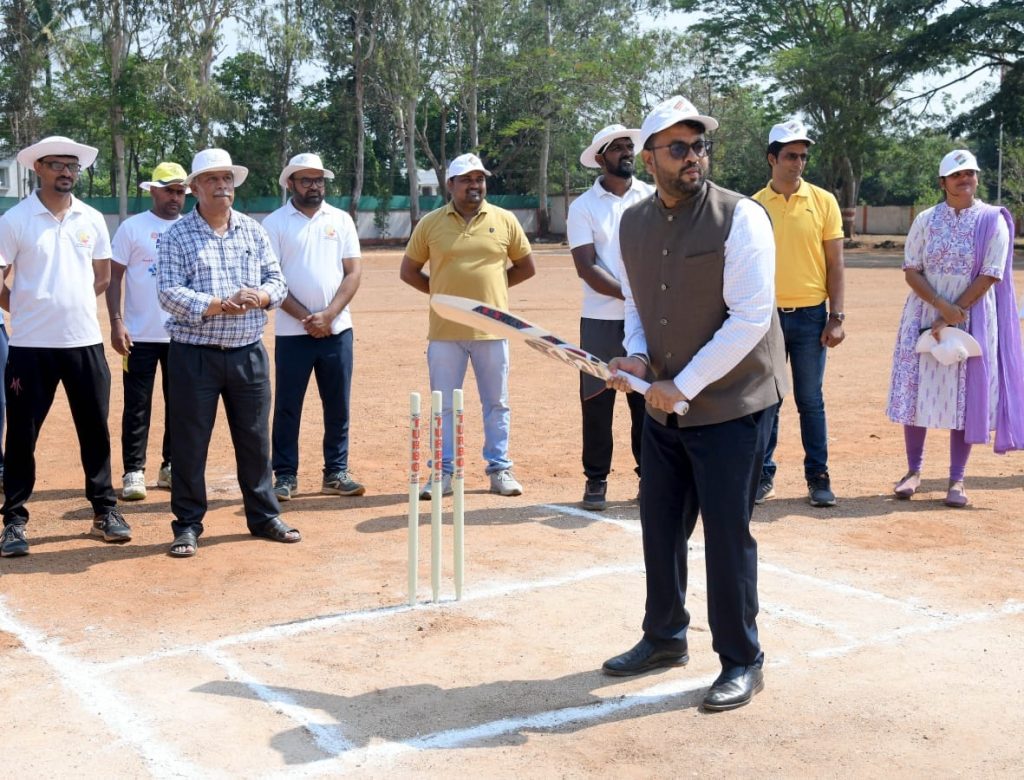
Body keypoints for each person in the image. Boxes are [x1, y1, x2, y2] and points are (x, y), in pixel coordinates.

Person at [602, 96, 787, 712]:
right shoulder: (632, 222)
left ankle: (742, 659)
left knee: (728, 537)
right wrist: (633, 356)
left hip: (733, 408)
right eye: (677, 148)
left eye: (699, 145)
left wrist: (682, 385)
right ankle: (664, 638)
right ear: (648, 157)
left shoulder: (742, 218)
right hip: (662, 407)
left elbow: (750, 319)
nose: (692, 157)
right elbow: (636, 304)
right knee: (660, 528)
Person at [157, 148, 297, 557]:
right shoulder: (177, 235)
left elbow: (278, 279)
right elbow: (168, 292)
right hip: (194, 354)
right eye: (213, 180)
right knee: (189, 443)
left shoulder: (253, 231)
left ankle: (263, 515)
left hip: (247, 353)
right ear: (195, 187)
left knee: (255, 440)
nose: (222, 187)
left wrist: (264, 295)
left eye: (227, 180)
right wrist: (219, 303)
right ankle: (186, 525)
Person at [0, 136, 131, 557]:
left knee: (95, 431)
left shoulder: (91, 219)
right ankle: (15, 521)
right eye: (56, 165)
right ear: (38, 169)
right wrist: (24, 307)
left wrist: (69, 304)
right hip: (30, 347)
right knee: (22, 436)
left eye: (72, 166)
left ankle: (105, 511)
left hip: (84, 344)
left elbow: (102, 277)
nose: (66, 172)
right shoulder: (15, 219)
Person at [886, 149, 1024, 507]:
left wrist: (952, 312)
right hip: (923, 315)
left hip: (973, 315)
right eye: (957, 174)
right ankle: (913, 471)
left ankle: (957, 479)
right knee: (917, 392)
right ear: (943, 182)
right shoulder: (927, 220)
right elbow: (911, 268)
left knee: (964, 398)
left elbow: (990, 274)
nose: (965, 179)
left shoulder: (992, 221)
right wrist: (939, 305)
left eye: (970, 173)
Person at [399, 153, 536, 498]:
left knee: (497, 403)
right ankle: (443, 473)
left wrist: (490, 299)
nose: (475, 186)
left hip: (493, 330)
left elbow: (526, 267)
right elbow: (409, 271)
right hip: (445, 332)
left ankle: (500, 470)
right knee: (443, 404)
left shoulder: (504, 220)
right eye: (467, 180)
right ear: (451, 185)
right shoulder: (431, 223)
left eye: (480, 179)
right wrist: (446, 298)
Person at [752, 120, 846, 507]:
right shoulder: (753, 206)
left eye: (803, 156)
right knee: (766, 400)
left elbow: (835, 264)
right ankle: (761, 475)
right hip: (766, 318)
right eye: (791, 155)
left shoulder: (824, 202)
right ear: (772, 158)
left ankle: (818, 477)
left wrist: (836, 316)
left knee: (810, 399)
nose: (798, 163)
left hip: (811, 317)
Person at [262, 152, 365, 501]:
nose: (314, 186)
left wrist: (329, 315)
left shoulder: (341, 220)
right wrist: (308, 318)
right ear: (290, 183)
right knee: (289, 406)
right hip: (293, 333)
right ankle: (286, 476)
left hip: (337, 330)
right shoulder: (274, 223)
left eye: (319, 180)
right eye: (306, 180)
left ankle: (335, 472)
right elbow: (270, 279)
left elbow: (353, 272)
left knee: (338, 404)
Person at [567, 124, 653, 510]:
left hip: (651, 317)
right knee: (597, 401)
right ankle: (596, 480)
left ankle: (649, 477)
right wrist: (631, 294)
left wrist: (647, 300)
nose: (626, 153)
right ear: (600, 159)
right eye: (616, 148)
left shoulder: (652, 197)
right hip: (601, 319)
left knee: (646, 403)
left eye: (628, 147)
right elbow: (586, 267)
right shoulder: (583, 207)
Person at [106, 162, 189, 501]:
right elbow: (113, 277)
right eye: (168, 190)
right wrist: (116, 321)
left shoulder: (191, 228)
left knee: (181, 405)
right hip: (137, 337)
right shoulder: (132, 228)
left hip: (182, 336)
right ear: (152, 191)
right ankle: (133, 472)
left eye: (180, 191)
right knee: (136, 406)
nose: (175, 197)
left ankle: (170, 466)